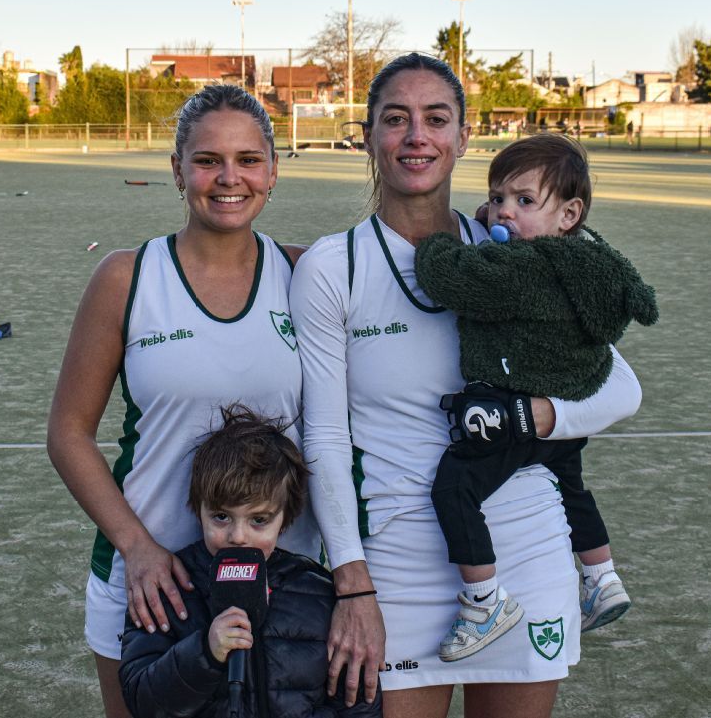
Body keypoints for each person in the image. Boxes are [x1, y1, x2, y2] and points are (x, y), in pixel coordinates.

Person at [290, 53, 642, 717]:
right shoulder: (333, 266)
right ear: (368, 136)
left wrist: (528, 418)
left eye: (436, 118)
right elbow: (326, 438)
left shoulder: (515, 252)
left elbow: (619, 388)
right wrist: (352, 582)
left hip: (527, 555)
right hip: (394, 570)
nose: (416, 135)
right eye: (396, 119)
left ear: (463, 137)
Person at [47, 83, 319, 718]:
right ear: (177, 170)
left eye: (249, 159)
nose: (229, 178)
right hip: (153, 586)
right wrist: (138, 550)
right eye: (207, 160)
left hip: (282, 580)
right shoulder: (127, 276)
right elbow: (68, 434)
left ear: (274, 171)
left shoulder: (307, 275)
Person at [413, 133, 659, 661]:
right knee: (573, 491)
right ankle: (601, 576)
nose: (504, 213)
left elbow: (453, 280)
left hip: (510, 407)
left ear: (568, 214)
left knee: (455, 488)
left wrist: (437, 240)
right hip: (567, 413)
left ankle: (484, 601)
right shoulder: (589, 260)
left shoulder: (520, 269)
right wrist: (513, 213)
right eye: (499, 197)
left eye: (524, 201)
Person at [119, 405, 381, 718]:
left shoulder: (317, 593)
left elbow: (358, 704)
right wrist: (205, 651)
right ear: (196, 508)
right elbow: (143, 700)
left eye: (259, 520)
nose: (238, 536)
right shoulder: (169, 588)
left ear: (284, 520)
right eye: (221, 517)